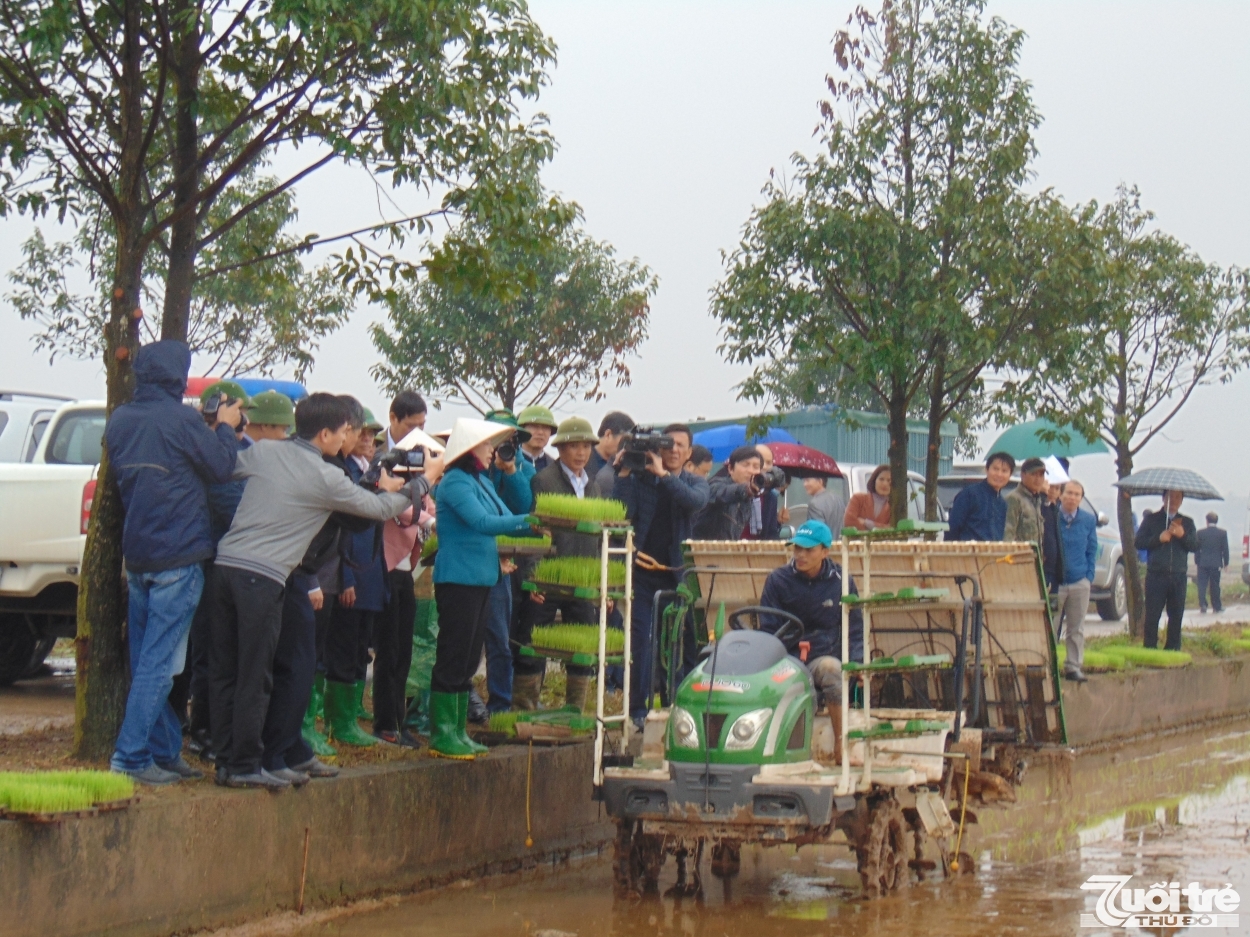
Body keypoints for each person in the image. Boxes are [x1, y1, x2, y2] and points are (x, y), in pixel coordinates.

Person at [210, 393, 441, 788]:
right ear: (324, 433)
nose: (348, 436)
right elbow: (378, 511)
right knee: (256, 673)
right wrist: (424, 480)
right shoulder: (324, 474)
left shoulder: (266, 453)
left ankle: (228, 758)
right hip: (263, 578)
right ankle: (245, 765)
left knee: (228, 671)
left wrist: (222, 428)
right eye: (345, 430)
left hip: (225, 568)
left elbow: (223, 467)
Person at [103, 342, 243, 785]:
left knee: (149, 660)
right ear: (178, 379)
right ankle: (129, 758)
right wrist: (224, 428)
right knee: (160, 665)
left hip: (139, 557)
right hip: (179, 558)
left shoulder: (120, 420)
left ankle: (163, 751)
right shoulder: (182, 420)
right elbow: (221, 467)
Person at [430, 418, 536, 760]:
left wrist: (536, 524)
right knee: (453, 656)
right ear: (468, 449)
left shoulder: (480, 482)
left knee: (468, 658)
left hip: (481, 578)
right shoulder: (455, 483)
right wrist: (529, 521)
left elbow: (508, 516)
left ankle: (457, 729)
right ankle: (442, 732)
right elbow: (484, 523)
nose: (492, 452)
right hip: (458, 579)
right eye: (486, 445)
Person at [613, 423, 709, 725]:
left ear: (689, 452)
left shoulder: (695, 482)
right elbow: (620, 513)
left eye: (681, 445)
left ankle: (673, 707)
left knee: (674, 642)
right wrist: (625, 473)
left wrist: (664, 475)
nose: (674, 450)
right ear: (658, 447)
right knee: (640, 641)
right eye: (668, 445)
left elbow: (693, 502)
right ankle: (637, 711)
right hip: (641, 573)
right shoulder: (641, 478)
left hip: (675, 575)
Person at [515, 416, 605, 711]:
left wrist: (600, 582)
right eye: (574, 446)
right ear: (561, 449)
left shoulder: (593, 485)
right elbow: (538, 531)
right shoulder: (544, 480)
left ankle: (574, 709)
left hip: (582, 577)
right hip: (550, 574)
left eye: (586, 447)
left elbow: (598, 537)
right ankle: (526, 707)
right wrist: (534, 577)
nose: (581, 453)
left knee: (580, 642)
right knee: (533, 640)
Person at [758, 520, 863, 763]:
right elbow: (768, 627)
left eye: (809, 550)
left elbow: (854, 625)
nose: (801, 555)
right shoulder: (777, 580)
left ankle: (840, 746)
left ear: (825, 552)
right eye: (797, 549)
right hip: (785, 658)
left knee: (832, 670)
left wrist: (857, 662)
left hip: (821, 656)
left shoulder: (841, 582)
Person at [477, 409, 537, 717]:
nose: (503, 444)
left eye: (509, 438)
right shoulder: (470, 466)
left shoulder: (522, 466)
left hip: (508, 564)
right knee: (468, 638)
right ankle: (465, 700)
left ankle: (500, 704)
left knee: (501, 638)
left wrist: (510, 471)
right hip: (475, 560)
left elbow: (526, 507)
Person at [1134, 489, 1197, 651]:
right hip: (1156, 574)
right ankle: (1150, 647)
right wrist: (1159, 539)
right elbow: (1139, 542)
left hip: (1178, 575)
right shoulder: (1152, 520)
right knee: (1152, 614)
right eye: (1170, 497)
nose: (1174, 500)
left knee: (1176, 615)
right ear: (1163, 498)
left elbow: (1194, 546)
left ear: (1182, 500)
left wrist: (1182, 535)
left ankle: (1173, 648)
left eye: (1178, 497)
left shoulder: (1187, 522)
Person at [1055, 481, 1097, 682]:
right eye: (1069, 493)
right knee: (1051, 625)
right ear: (1061, 495)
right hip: (1055, 581)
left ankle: (1073, 666)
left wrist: (1088, 576)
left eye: (1077, 494)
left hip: (1079, 580)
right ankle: (1048, 665)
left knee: (1076, 627)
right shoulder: (1052, 516)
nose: (1072, 497)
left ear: (1081, 498)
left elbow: (1092, 548)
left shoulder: (1088, 520)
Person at [692, 445, 761, 540]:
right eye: (745, 465)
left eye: (756, 467)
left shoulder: (749, 496)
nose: (751, 471)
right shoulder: (716, 484)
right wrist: (746, 490)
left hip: (726, 552)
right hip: (701, 550)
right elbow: (720, 494)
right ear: (730, 469)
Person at [945, 452, 1014, 541]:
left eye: (1004, 471)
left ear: (1010, 475)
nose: (999, 474)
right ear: (987, 469)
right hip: (968, 552)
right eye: (995, 469)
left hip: (994, 553)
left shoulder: (1002, 504)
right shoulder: (970, 494)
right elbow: (953, 527)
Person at [1004, 457, 1047, 547]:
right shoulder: (1014, 499)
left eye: (1041, 475)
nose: (1038, 479)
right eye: (1034, 474)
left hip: (1034, 558)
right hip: (1020, 557)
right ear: (1023, 475)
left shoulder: (1037, 499)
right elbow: (1008, 536)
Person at [589, 411, 635, 493]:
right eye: (626, 440)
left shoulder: (628, 466)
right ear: (608, 435)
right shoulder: (582, 462)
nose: (628, 446)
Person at [1195, 511, 1230, 614]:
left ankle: (1203, 605)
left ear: (1206, 521)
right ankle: (1216, 606)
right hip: (1216, 563)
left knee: (1202, 585)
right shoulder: (1222, 533)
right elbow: (1225, 549)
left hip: (1203, 563)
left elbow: (1197, 549)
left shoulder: (1200, 533)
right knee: (1215, 585)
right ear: (1217, 521)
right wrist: (1226, 563)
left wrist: (1197, 561)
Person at [753, 443, 788, 539]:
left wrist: (778, 521)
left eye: (768, 463)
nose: (764, 466)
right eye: (760, 461)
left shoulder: (770, 497)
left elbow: (771, 534)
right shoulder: (734, 490)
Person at [844, 465, 894, 532]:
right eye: (881, 479)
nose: (885, 484)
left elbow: (892, 529)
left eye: (889, 481)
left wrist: (867, 523)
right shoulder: (858, 499)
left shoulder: (893, 507)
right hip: (857, 542)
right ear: (874, 480)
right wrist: (880, 527)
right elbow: (849, 522)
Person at [517, 404, 558, 472]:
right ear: (522, 429)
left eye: (545, 427)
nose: (540, 432)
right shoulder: (508, 462)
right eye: (534, 426)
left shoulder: (556, 468)